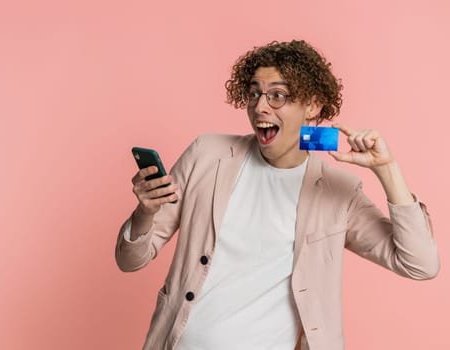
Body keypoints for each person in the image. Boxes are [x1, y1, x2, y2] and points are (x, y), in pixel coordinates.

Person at [115, 40, 440, 350]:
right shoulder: (207, 155)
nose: (260, 106)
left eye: (278, 96)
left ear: (312, 106)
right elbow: (130, 260)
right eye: (254, 93)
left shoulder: (338, 193)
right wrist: (145, 212)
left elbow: (420, 264)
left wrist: (387, 169)